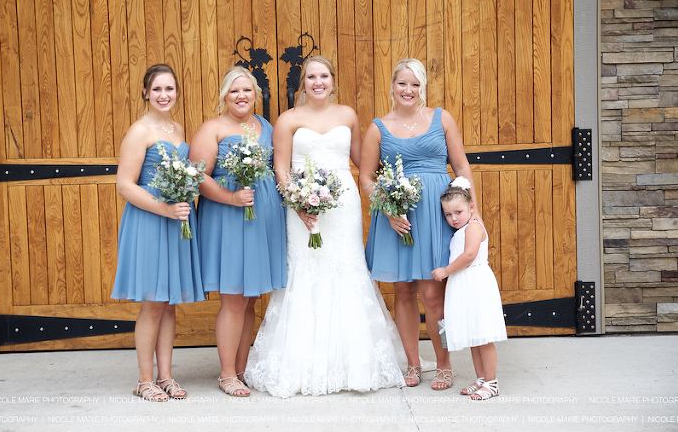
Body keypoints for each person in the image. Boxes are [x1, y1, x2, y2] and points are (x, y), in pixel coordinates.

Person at [244, 56, 406, 398]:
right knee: (306, 271)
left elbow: (363, 162)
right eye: (312, 77)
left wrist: (392, 190)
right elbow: (282, 170)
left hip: (342, 204)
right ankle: (301, 363)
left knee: (346, 268)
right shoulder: (287, 119)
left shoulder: (347, 115)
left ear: (333, 80)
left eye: (325, 76)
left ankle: (354, 363)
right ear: (303, 82)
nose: (318, 82)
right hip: (301, 206)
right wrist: (299, 204)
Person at [360, 58, 480, 390]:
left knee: (433, 295)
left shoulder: (442, 119)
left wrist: (473, 215)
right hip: (397, 217)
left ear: (422, 87)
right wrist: (386, 207)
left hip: (435, 215)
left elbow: (462, 168)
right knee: (403, 291)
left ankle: (444, 364)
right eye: (402, 83)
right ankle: (413, 364)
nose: (408, 90)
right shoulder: (377, 127)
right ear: (392, 86)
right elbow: (367, 177)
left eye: (415, 84)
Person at [190, 66, 287, 397]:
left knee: (250, 300)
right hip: (228, 217)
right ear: (224, 96)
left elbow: (279, 168)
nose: (241, 96)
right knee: (233, 298)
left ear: (255, 94)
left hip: (263, 217)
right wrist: (231, 197)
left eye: (247, 90)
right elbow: (199, 178)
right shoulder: (212, 129)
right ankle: (227, 374)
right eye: (234, 91)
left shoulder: (266, 127)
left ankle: (243, 369)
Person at [111, 64, 204, 402]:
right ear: (145, 93)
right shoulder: (140, 130)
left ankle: (165, 375)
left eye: (170, 89)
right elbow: (124, 185)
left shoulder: (177, 127)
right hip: (150, 220)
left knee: (168, 303)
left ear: (177, 93)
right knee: (153, 302)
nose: (164, 95)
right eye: (157, 89)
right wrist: (164, 208)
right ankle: (144, 379)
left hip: (176, 219)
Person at [432, 177, 507, 400]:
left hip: (476, 284)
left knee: (483, 336)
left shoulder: (474, 227)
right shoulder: (460, 230)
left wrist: (445, 271)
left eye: (458, 212)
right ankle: (481, 379)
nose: (453, 218)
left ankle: (492, 383)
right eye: (448, 214)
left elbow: (469, 255)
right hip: (464, 285)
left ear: (471, 208)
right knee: (475, 337)